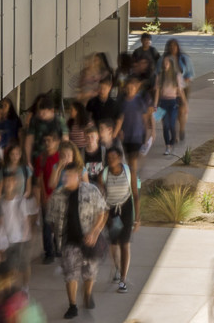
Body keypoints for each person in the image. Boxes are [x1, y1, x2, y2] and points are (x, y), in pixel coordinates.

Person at [46, 162, 107, 318]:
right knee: (70, 274)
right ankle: (72, 305)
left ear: (78, 176)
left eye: (69, 176)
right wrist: (58, 235)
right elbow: (51, 218)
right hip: (69, 242)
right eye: (64, 176)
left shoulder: (91, 191)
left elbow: (102, 213)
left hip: (89, 241)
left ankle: (87, 293)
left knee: (89, 273)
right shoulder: (58, 194)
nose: (66, 179)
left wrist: (94, 232)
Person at [100, 145, 136, 293]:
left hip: (126, 209)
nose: (112, 160)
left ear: (120, 158)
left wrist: (138, 218)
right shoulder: (104, 174)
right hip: (111, 211)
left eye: (114, 157)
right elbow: (101, 196)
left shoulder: (129, 172)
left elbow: (136, 195)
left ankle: (123, 279)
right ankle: (117, 266)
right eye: (109, 158)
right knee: (114, 244)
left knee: (125, 244)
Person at [0, 171, 38, 277]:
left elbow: (26, 221)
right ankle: (14, 289)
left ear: (15, 183)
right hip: (6, 240)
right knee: (9, 268)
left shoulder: (21, 200)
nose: (8, 183)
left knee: (24, 266)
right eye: (6, 181)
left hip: (20, 239)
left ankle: (25, 288)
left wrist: (25, 238)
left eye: (11, 181)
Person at [32, 130, 66, 262]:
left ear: (57, 142)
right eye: (45, 141)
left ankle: (58, 247)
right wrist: (43, 195)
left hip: (59, 197)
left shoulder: (60, 158)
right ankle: (48, 252)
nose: (47, 143)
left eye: (50, 141)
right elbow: (40, 178)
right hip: (46, 195)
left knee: (58, 224)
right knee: (46, 225)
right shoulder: (41, 158)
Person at [119, 77, 153, 183]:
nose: (130, 90)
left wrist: (146, 133)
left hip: (136, 135)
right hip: (126, 136)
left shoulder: (139, 101)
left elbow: (145, 117)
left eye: (132, 88)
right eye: (128, 88)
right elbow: (119, 118)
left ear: (136, 89)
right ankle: (132, 178)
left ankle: (133, 180)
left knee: (133, 160)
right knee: (128, 159)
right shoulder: (122, 102)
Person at [164, 38, 193, 143]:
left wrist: (187, 78)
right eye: (171, 46)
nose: (173, 48)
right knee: (172, 111)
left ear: (178, 47)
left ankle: (182, 129)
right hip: (170, 88)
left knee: (182, 110)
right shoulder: (165, 59)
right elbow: (159, 72)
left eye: (174, 46)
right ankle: (174, 133)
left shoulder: (184, 58)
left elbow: (190, 73)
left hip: (183, 87)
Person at [155, 55, 184, 155]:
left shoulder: (176, 76)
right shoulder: (160, 76)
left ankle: (172, 140)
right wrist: (155, 105)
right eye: (164, 63)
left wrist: (184, 103)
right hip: (163, 102)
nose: (165, 65)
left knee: (172, 124)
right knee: (165, 125)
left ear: (171, 65)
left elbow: (180, 91)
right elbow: (157, 92)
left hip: (173, 102)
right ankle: (167, 146)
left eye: (167, 63)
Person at [85, 77, 124, 143]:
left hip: (111, 135)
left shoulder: (114, 103)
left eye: (104, 88)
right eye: (100, 88)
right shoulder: (92, 102)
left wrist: (114, 134)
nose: (101, 91)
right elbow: (88, 118)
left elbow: (119, 120)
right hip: (96, 136)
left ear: (109, 88)